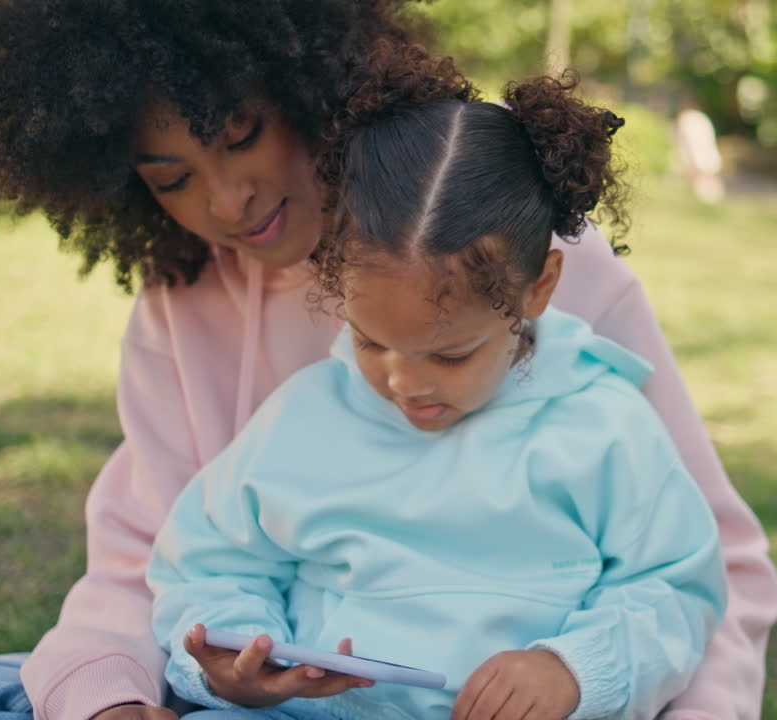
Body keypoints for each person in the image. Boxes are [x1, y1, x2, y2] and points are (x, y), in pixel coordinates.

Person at [0, 2, 777, 720]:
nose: (227, 201)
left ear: (309, 87)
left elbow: (705, 570)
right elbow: (157, 558)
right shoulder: (197, 315)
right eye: (171, 178)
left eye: (240, 134)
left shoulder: (521, 264)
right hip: (289, 697)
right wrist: (113, 700)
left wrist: (583, 676)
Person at [146, 70, 727, 720]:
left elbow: (673, 590)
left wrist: (573, 670)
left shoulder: (603, 425)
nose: (404, 382)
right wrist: (235, 661)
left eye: (451, 354)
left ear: (538, 288)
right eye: (371, 342)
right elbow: (207, 566)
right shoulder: (302, 418)